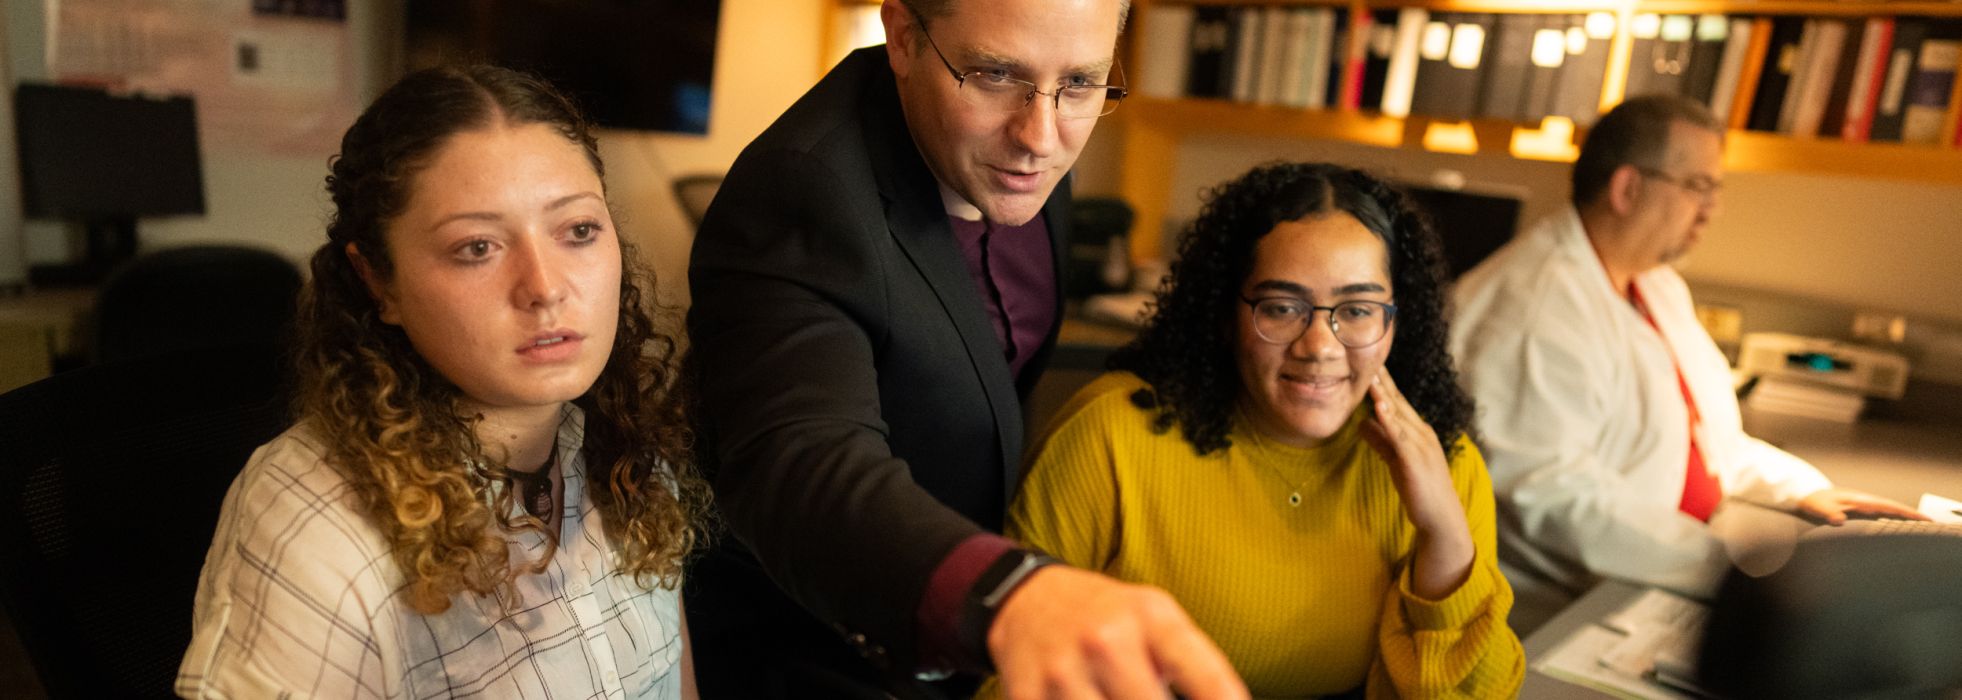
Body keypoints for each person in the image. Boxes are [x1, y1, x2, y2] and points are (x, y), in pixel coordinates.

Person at [684, 0, 1247, 697]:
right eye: (993, 74)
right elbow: (801, 460)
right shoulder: (800, 188)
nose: (1041, 137)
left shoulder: (1022, 149)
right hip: (811, 649)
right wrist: (1011, 594)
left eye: (1081, 82)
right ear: (903, 35)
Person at [175, 65, 712, 698]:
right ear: (378, 281)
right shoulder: (316, 525)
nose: (545, 288)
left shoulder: (629, 460)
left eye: (578, 231)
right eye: (477, 247)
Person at [989, 162, 1525, 698]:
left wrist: (1445, 536)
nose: (1319, 345)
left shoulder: (1444, 463)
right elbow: (1003, 668)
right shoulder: (1109, 436)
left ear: (1395, 322)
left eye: (1358, 309)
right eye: (1282, 307)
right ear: (1226, 315)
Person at [1448, 94, 1925, 633]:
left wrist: (1797, 488)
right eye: (1699, 186)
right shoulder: (1533, 307)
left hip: (1652, 569)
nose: (1713, 208)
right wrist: (1729, 566)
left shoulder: (1655, 284)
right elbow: (1549, 497)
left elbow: (1702, 436)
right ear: (1628, 188)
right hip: (1558, 612)